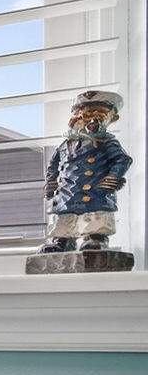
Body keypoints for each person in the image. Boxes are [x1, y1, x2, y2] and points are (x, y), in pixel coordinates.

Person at [40, 90, 131, 253]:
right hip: (67, 193)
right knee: (65, 218)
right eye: (84, 114)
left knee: (94, 218)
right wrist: (52, 182)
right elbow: (53, 164)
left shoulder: (106, 142)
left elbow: (122, 159)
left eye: (97, 114)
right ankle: (63, 241)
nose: (88, 119)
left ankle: (95, 239)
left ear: (111, 118)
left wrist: (113, 177)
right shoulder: (66, 144)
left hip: (94, 190)